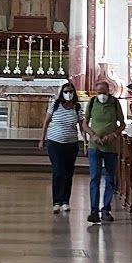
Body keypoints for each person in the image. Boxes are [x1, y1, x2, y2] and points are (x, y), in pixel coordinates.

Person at [82, 78, 125, 223]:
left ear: (108, 91)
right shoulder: (92, 102)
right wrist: (92, 136)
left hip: (110, 147)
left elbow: (122, 124)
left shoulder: (114, 103)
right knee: (94, 178)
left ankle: (106, 209)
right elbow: (85, 123)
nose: (101, 95)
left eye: (104, 92)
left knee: (110, 178)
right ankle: (94, 210)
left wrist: (113, 135)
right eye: (99, 92)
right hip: (95, 146)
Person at [38, 79, 82, 213]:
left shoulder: (77, 107)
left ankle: (65, 201)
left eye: (70, 92)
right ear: (62, 93)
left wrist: (85, 141)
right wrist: (42, 139)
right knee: (58, 171)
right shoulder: (55, 105)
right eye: (66, 92)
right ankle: (56, 201)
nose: (68, 94)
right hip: (54, 143)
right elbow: (46, 122)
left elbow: (81, 124)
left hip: (71, 144)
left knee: (68, 173)